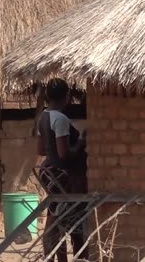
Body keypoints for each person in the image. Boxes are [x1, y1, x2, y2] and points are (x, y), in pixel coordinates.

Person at [36, 78, 89, 262]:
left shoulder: (43, 116)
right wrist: (81, 142)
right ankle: (76, 257)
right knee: (72, 218)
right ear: (67, 96)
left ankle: (54, 258)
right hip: (62, 174)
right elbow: (64, 154)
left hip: (48, 171)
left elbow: (41, 149)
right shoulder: (60, 119)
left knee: (55, 214)